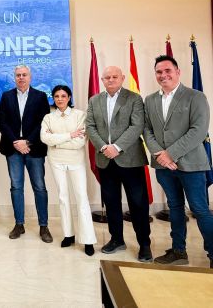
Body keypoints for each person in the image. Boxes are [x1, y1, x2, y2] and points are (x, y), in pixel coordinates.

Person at [143, 55, 213, 267]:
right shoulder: (150, 100)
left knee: (200, 209)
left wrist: (170, 154)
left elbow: (198, 130)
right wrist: (160, 155)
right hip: (163, 166)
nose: (163, 75)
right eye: (159, 72)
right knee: (174, 207)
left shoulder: (195, 96)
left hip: (191, 164)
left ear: (178, 72)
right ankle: (178, 251)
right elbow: (147, 130)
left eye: (168, 71)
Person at [85, 66, 152, 262]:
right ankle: (116, 239)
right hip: (105, 159)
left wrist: (117, 147)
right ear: (102, 80)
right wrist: (103, 147)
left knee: (138, 204)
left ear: (122, 78)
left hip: (130, 160)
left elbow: (137, 126)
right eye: (107, 77)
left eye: (115, 77)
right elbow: (90, 126)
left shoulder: (134, 98)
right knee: (111, 202)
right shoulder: (95, 100)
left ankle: (144, 244)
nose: (111, 80)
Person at [0, 64, 53, 243]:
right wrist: (16, 142)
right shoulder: (6, 96)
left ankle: (43, 226)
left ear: (30, 77)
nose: (21, 77)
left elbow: (43, 122)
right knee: (16, 187)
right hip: (13, 148)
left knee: (39, 187)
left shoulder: (40, 96)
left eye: (24, 75)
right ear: (14, 78)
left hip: (34, 148)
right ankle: (19, 224)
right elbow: (2, 122)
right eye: (18, 75)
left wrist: (27, 141)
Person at [40, 85, 96, 256]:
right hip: (56, 161)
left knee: (81, 197)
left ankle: (87, 240)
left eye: (63, 96)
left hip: (76, 161)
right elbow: (45, 138)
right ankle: (68, 235)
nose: (60, 99)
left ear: (69, 97)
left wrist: (56, 142)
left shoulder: (80, 115)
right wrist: (70, 135)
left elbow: (80, 142)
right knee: (63, 197)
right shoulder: (49, 117)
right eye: (56, 96)